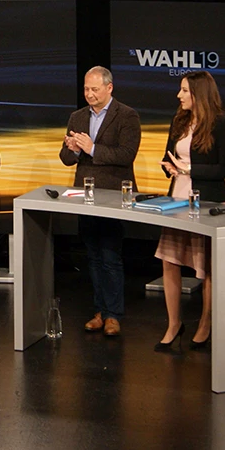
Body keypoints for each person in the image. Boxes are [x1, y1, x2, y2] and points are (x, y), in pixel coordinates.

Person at [153, 71, 225, 352]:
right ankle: (174, 324)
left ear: (199, 93)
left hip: (207, 203)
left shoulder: (221, 125)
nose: (179, 95)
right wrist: (170, 167)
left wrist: (190, 169)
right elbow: (168, 157)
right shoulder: (179, 121)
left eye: (184, 91)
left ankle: (205, 324)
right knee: (170, 261)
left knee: (207, 267)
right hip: (176, 200)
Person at [59, 66, 141, 336]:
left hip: (114, 194)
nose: (89, 94)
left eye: (94, 89)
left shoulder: (127, 116)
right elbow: (67, 158)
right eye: (86, 89)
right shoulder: (77, 116)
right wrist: (71, 149)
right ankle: (100, 311)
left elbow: (126, 154)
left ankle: (114, 315)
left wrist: (91, 148)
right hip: (85, 194)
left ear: (109, 88)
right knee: (93, 255)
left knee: (110, 255)